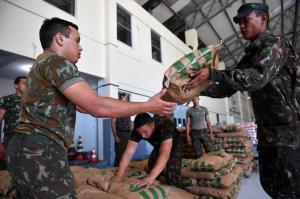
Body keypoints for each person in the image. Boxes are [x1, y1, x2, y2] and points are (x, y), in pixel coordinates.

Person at [6, 17, 176, 199]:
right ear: (60, 39)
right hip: (42, 151)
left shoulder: (40, 65)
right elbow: (96, 105)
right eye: (77, 40)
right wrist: (149, 105)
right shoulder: (58, 63)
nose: (80, 48)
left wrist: (145, 104)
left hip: (22, 150)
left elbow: (85, 107)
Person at [184, 3, 300, 198]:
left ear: (263, 19)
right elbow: (227, 87)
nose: (242, 26)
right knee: (273, 186)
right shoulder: (251, 54)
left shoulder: (276, 44)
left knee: (291, 190)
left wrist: (213, 74)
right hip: (269, 135)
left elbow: (256, 78)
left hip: (288, 136)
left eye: (246, 20)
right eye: (239, 23)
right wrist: (195, 90)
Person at [111, 113, 183, 188]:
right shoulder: (137, 131)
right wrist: (119, 175)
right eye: (140, 133)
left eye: (144, 132)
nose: (142, 136)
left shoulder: (164, 125)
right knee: (152, 171)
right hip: (158, 146)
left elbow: (164, 154)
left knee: (172, 178)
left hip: (175, 145)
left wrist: (150, 178)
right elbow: (128, 153)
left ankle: (189, 182)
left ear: (152, 125)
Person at [0, 76, 27, 169]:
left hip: (29, 140)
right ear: (16, 85)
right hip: (11, 139)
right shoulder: (7, 99)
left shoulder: (30, 102)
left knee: (26, 169)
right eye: (24, 83)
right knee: (9, 169)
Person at [111, 93, 133, 166]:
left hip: (128, 133)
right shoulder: (115, 110)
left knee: (127, 152)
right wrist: (115, 136)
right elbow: (113, 124)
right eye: (124, 98)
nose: (125, 100)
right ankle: (116, 168)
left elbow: (130, 120)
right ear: (120, 99)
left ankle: (125, 168)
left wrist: (131, 129)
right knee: (119, 153)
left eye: (126, 98)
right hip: (120, 134)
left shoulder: (128, 110)